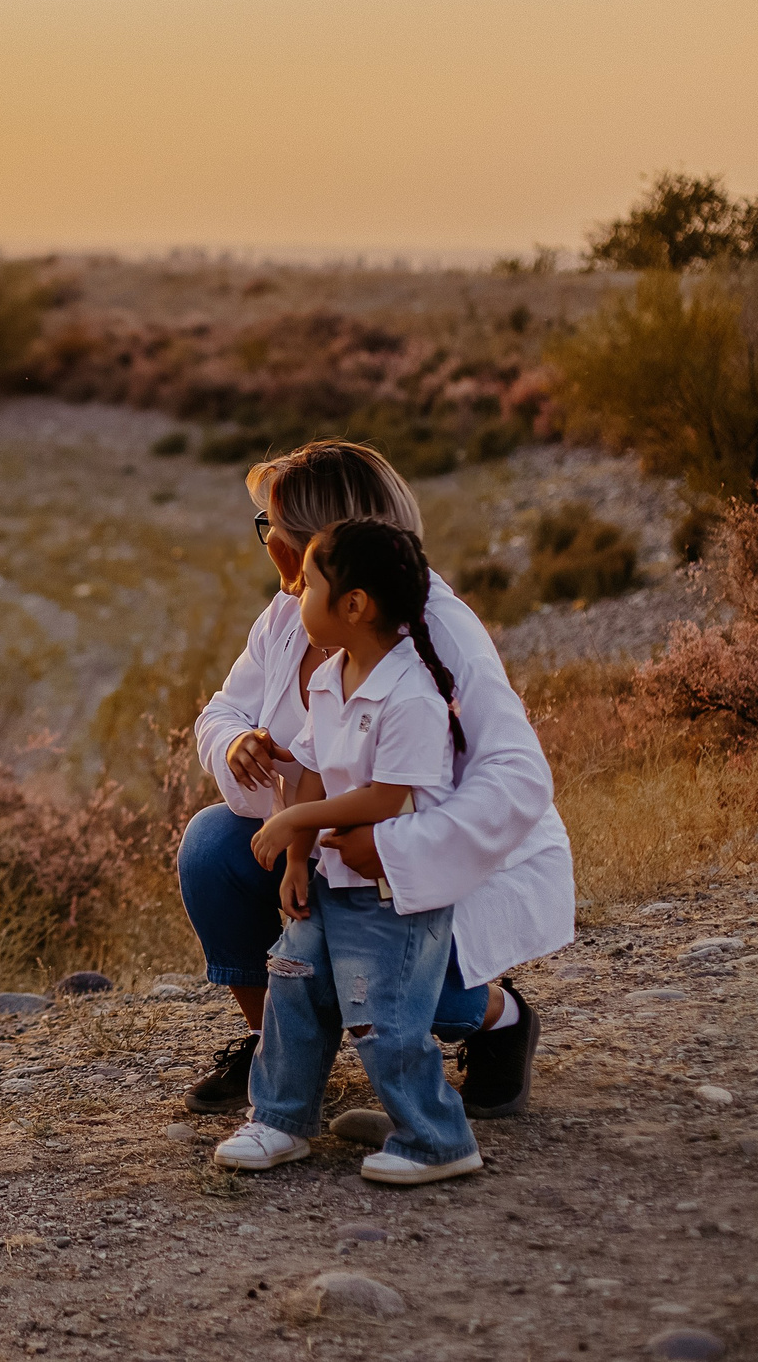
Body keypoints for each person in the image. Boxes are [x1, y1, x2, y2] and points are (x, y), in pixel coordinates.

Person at [174, 439, 571, 1122]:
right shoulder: (289, 616)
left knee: (407, 986)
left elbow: (519, 778)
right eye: (267, 531)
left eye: (282, 537)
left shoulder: (439, 631)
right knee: (212, 847)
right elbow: (222, 709)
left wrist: (397, 849)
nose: (272, 554)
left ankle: (500, 1017)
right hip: (324, 854)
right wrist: (237, 742)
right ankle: (280, 1046)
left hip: (429, 869)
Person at [215, 517, 483, 1182]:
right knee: (293, 987)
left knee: (381, 1015)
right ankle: (279, 1118)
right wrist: (300, 858)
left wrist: (294, 820)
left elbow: (383, 798)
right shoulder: (331, 675)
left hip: (390, 893)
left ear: (354, 604)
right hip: (331, 881)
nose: (295, 597)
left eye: (309, 585)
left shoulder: (411, 694)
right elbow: (309, 763)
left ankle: (436, 1138)